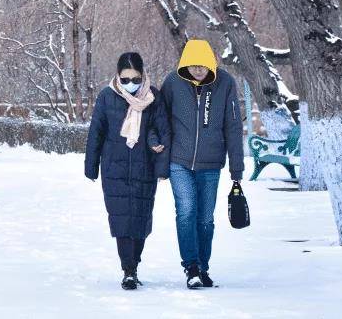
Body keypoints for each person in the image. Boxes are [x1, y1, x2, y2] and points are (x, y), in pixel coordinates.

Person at [161, 39, 245, 289]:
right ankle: (192, 267)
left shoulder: (225, 83)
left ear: (212, 64)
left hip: (211, 163)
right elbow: (161, 120)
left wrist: (236, 168)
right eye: (193, 65)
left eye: (203, 65)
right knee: (186, 211)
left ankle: (203, 266)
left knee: (205, 218)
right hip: (180, 161)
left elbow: (233, 126)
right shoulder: (173, 82)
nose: (198, 70)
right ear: (185, 64)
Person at [85, 51, 169, 290]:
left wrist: (161, 167)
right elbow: (96, 133)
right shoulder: (106, 97)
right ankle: (128, 269)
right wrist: (91, 166)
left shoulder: (154, 97)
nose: (130, 84)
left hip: (144, 167)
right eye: (125, 79)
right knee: (121, 219)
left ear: (143, 76)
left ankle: (135, 262)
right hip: (114, 168)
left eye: (135, 79)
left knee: (140, 219)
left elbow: (163, 130)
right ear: (117, 77)